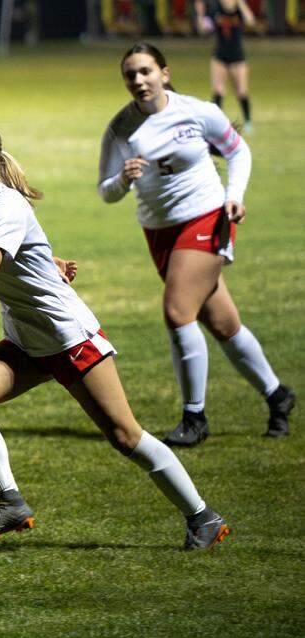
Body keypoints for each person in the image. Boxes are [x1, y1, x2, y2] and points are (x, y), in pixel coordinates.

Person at [0, 121, 230, 550]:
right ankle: (11, 503)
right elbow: (17, 251)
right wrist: (50, 262)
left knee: (125, 436)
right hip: (26, 339)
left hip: (69, 339)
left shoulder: (7, 205)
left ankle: (203, 517)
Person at [98, 43, 293, 446]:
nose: (139, 80)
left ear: (164, 73)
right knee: (222, 323)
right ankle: (278, 395)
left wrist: (234, 195)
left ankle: (194, 417)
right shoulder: (121, 128)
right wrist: (123, 179)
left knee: (177, 311)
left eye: (146, 71)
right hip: (159, 231)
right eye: (131, 75)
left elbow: (237, 151)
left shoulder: (198, 112)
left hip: (206, 217)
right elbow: (106, 191)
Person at [195, 0, 256, 132]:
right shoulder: (215, 8)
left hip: (237, 57)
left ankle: (248, 122)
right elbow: (204, 28)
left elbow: (251, 21)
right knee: (219, 91)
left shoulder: (239, 9)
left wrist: (241, 4)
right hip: (220, 56)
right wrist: (200, 14)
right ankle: (216, 123)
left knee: (241, 91)